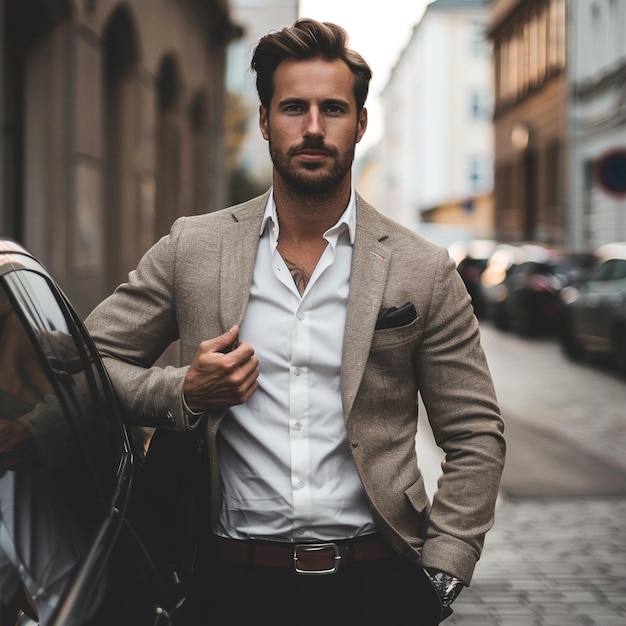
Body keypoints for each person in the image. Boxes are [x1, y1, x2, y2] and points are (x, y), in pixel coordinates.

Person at [85, 18, 505, 625]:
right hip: (227, 585)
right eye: (293, 108)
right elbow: (87, 363)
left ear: (361, 124)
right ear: (264, 122)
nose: (313, 128)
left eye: (333, 109)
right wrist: (183, 391)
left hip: (375, 584)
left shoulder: (422, 269)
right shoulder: (194, 249)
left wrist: (442, 570)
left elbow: (475, 433)